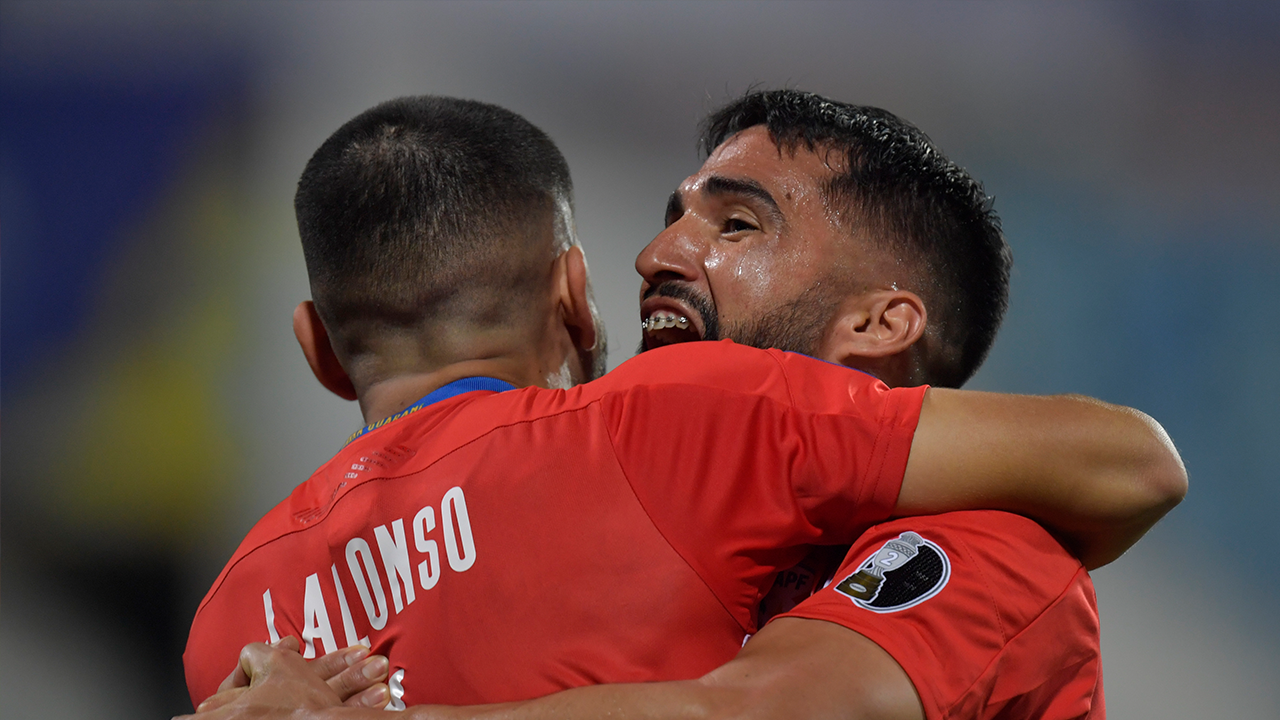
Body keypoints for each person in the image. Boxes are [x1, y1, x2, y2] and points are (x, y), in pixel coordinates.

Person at [181, 92, 1185, 719]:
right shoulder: (632, 482)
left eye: (735, 224)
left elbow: (763, 713)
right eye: (672, 219)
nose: (658, 255)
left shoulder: (988, 548)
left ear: (881, 325)